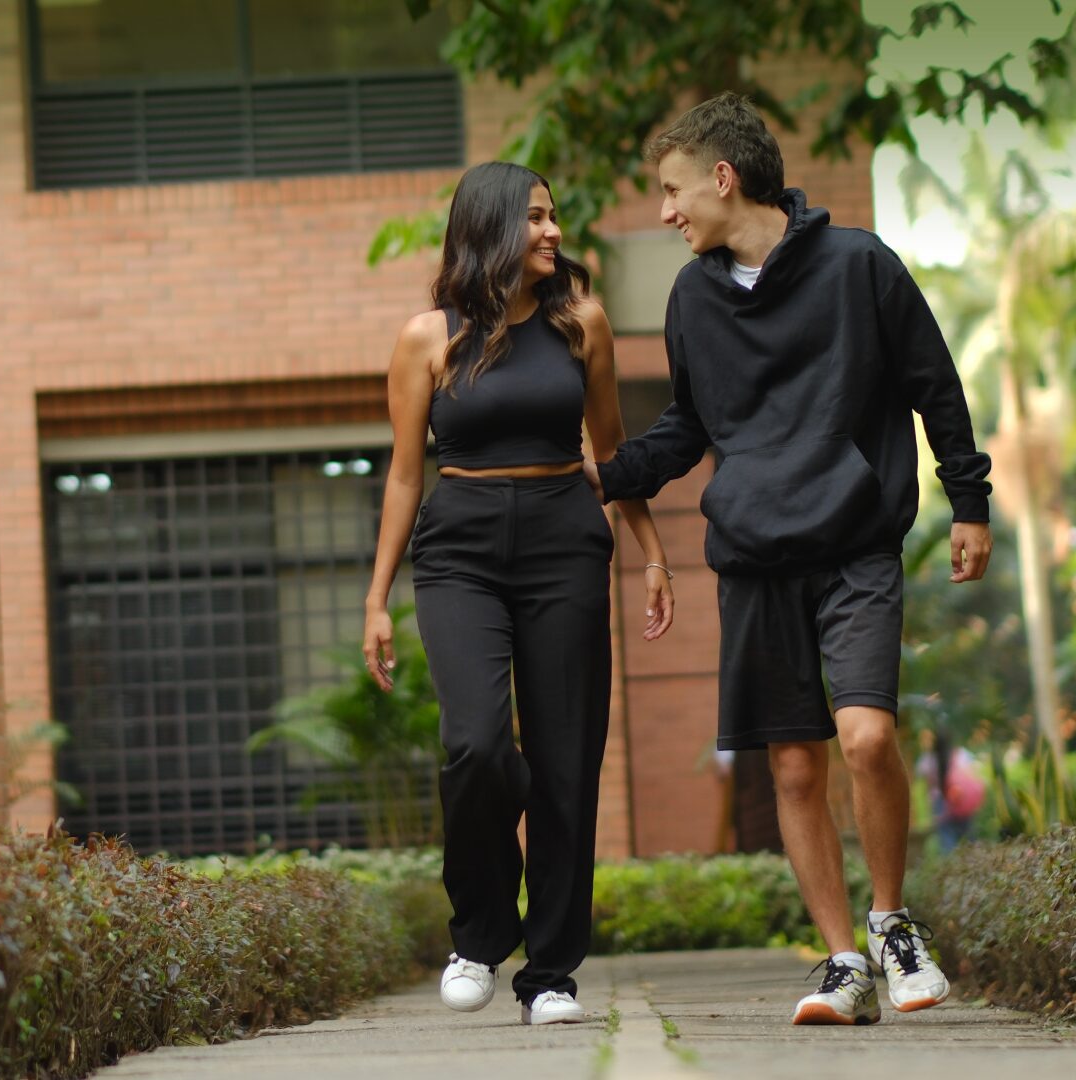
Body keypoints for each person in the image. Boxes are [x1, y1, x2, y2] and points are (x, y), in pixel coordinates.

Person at [582, 93, 993, 1026]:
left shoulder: (860, 265)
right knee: (796, 771)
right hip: (755, 558)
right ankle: (843, 963)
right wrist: (602, 477)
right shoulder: (693, 299)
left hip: (855, 542)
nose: (666, 211)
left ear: (724, 178)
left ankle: (892, 925)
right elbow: (688, 427)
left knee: (867, 738)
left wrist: (968, 500)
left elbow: (934, 384)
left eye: (674, 190)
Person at [362, 161, 676, 1026]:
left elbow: (613, 451)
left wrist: (651, 551)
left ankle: (551, 975)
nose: (553, 232)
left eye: (553, 217)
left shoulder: (581, 323)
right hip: (458, 551)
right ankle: (479, 935)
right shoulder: (427, 338)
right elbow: (404, 475)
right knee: (475, 746)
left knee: (566, 761)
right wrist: (377, 597)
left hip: (563, 543)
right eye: (535, 218)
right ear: (491, 227)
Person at [915, 724, 985, 852]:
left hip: (940, 802)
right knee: (969, 837)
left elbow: (926, 783)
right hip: (961, 799)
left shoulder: (928, 759)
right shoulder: (961, 754)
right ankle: (974, 859)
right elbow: (973, 775)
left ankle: (952, 862)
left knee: (947, 840)